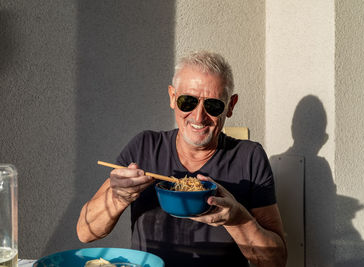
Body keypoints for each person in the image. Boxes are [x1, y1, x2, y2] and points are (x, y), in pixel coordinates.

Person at [76, 51, 287, 267]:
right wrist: (118, 197)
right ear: (172, 98)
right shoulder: (144, 147)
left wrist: (237, 219)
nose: (198, 117)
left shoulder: (249, 157)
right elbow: (86, 232)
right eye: (188, 102)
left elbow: (276, 261)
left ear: (231, 106)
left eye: (213, 105)